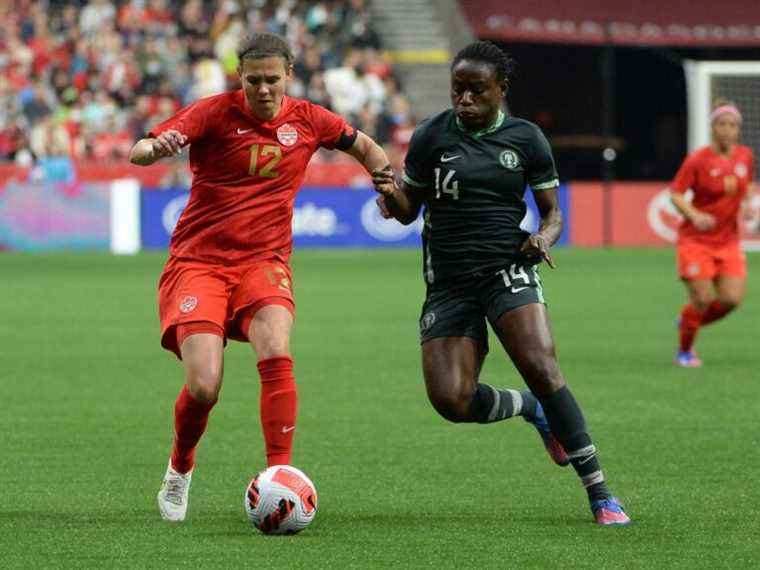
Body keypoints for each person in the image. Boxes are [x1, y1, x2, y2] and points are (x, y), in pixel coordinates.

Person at [128, 32, 393, 522]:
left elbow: (365, 147)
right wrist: (153, 149)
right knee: (205, 386)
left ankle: (280, 479)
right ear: (240, 78)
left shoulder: (311, 119)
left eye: (273, 79)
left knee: (277, 350)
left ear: (289, 76)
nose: (264, 89)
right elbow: (141, 150)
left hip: (264, 262)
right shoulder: (212, 112)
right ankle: (180, 469)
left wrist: (386, 182)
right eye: (254, 80)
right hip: (198, 262)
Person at [373, 41, 630, 525]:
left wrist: (543, 237)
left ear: (501, 90)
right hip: (448, 281)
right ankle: (528, 409)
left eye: (476, 90)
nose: (464, 99)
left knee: (540, 363)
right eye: (457, 89)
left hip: (506, 267)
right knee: (451, 400)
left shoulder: (527, 139)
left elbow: (554, 214)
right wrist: (392, 197)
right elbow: (410, 213)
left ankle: (601, 494)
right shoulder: (431, 136)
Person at [670, 100, 755, 367]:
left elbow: (745, 184)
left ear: (738, 129)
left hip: (728, 240)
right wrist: (694, 215)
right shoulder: (698, 160)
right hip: (696, 240)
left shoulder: (745, 156)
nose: (727, 130)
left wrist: (748, 205)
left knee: (731, 299)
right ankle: (684, 352)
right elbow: (676, 194)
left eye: (733, 125)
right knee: (703, 299)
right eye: (722, 124)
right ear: (712, 127)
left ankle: (688, 321)